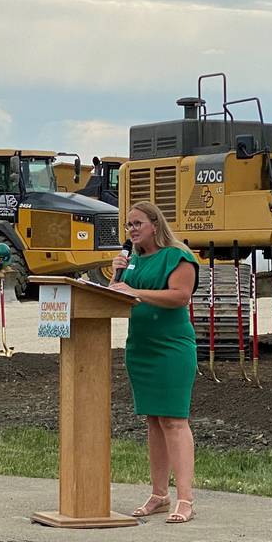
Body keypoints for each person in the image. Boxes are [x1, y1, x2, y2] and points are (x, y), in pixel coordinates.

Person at [109, 201, 199, 523]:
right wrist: (115, 276)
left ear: (155, 225)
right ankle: (159, 494)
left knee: (174, 420)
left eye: (137, 223)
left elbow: (180, 296)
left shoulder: (178, 256)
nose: (131, 230)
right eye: (128, 225)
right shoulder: (130, 261)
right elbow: (117, 296)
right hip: (141, 348)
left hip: (171, 348)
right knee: (153, 421)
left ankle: (185, 499)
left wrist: (136, 291)